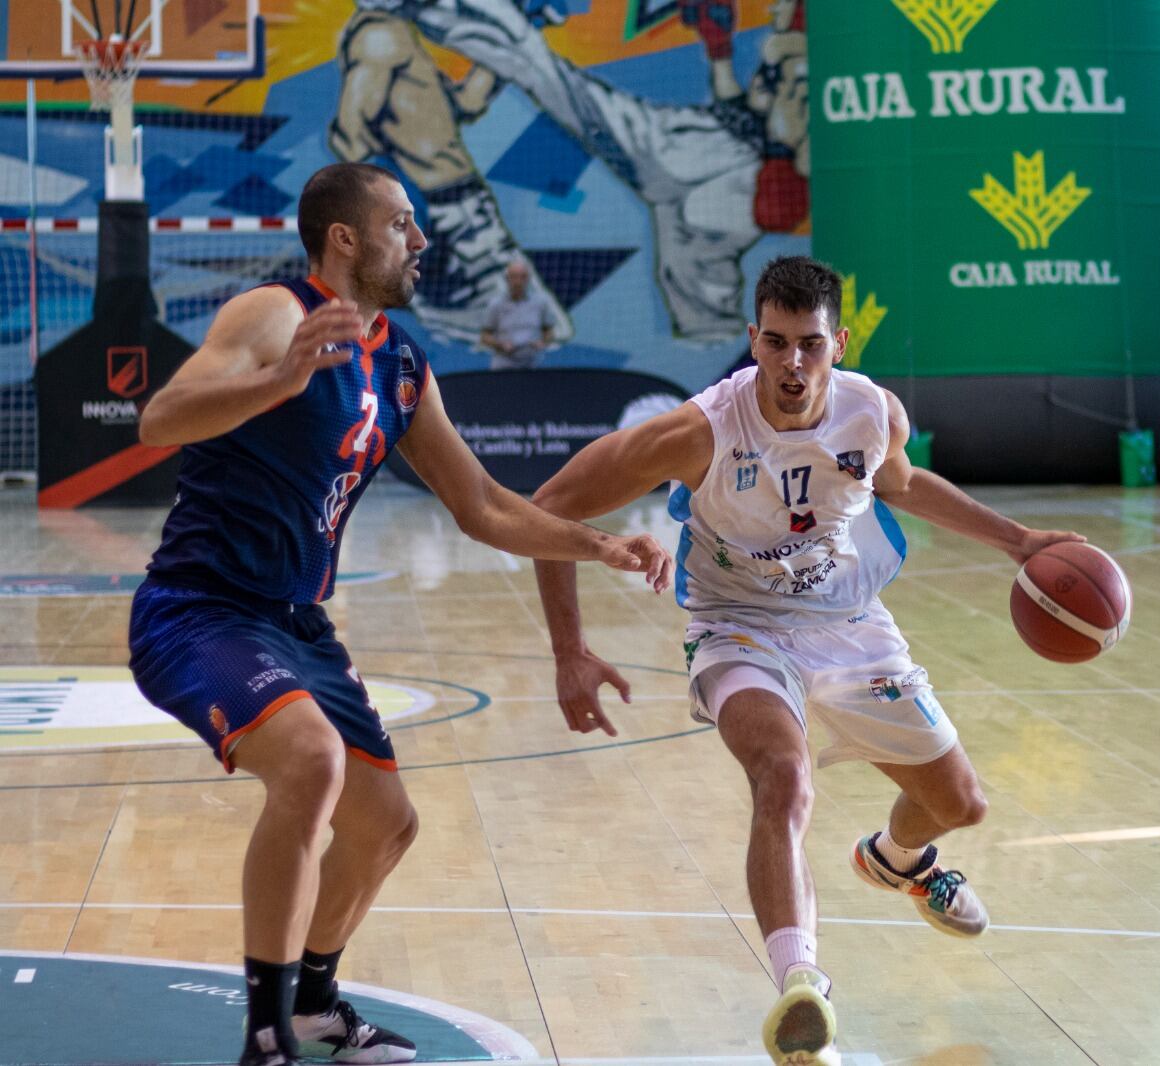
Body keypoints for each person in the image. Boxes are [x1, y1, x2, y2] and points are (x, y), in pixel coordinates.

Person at [130, 161, 670, 1066]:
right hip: (200, 609)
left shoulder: (403, 360)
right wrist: (279, 381)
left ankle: (314, 1007)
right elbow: (161, 418)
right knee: (312, 762)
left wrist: (598, 544)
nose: (420, 240)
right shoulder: (274, 315)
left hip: (297, 623)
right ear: (345, 238)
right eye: (401, 223)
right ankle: (265, 1038)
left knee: (387, 823)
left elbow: (483, 506)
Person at [527, 256, 1085, 1065]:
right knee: (782, 777)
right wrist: (569, 651)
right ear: (753, 340)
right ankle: (802, 989)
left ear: (838, 344)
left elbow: (902, 484)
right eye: (776, 343)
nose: (792, 363)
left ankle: (895, 860)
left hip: (850, 621)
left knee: (962, 804)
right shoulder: (700, 432)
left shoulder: (872, 412)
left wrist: (1018, 540)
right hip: (738, 625)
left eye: (810, 345)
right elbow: (550, 507)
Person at [366, 0, 811, 341]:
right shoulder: (788, 50)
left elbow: (793, 141)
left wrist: (777, 173)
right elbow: (749, 113)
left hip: (717, 166)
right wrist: (719, 52)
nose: (774, 9)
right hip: (716, 161)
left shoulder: (809, 59)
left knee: (548, 74)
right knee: (702, 315)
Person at [330, 5, 572, 344]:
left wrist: (514, 42)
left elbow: (464, 104)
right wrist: (400, 194)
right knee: (537, 330)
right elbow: (350, 139)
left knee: (532, 329)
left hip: (460, 206)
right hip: (448, 213)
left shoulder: (400, 36)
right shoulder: (380, 37)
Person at [480, 259, 562, 369]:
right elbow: (485, 336)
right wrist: (500, 344)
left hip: (532, 365)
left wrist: (543, 342)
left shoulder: (540, 303)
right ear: (507, 279)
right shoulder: (495, 305)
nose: (518, 282)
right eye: (514, 277)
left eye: (522, 277)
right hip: (503, 365)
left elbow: (549, 332)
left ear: (528, 279)